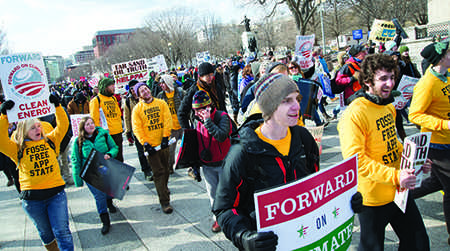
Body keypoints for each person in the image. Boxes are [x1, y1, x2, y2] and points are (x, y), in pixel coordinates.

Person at [213, 73, 322, 250]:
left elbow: (316, 186)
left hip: (304, 237)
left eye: (297, 98)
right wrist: (243, 237)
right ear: (270, 107)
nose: (297, 106)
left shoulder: (303, 138)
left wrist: (345, 200)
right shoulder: (242, 153)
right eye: (287, 100)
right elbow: (224, 209)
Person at [338, 53, 431, 250]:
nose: (389, 83)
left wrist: (416, 158)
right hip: (372, 199)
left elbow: (391, 142)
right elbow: (357, 161)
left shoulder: (387, 106)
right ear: (367, 82)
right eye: (383, 79)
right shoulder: (354, 114)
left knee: (418, 243)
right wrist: (396, 176)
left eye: (392, 77)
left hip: (398, 192)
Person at [0, 95, 74, 251]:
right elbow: (1, 140)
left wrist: (58, 107)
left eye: (38, 126)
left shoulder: (51, 140)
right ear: (25, 131)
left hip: (56, 195)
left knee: (63, 232)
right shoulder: (17, 148)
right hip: (33, 200)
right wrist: (4, 116)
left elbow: (63, 125)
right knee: (46, 234)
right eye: (32, 128)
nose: (37, 130)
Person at [409, 40, 450, 245]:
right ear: (442, 57)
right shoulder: (427, 83)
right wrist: (445, 124)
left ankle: (401, 196)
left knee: (436, 181)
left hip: (448, 141)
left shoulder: (447, 76)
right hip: (437, 144)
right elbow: (414, 115)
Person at [192, 90, 232, 233]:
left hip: (223, 163)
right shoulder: (196, 120)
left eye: (199, 110)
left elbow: (222, 136)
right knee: (213, 194)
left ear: (208, 107)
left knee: (226, 193)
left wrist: (208, 121)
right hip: (207, 165)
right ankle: (218, 219)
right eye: (195, 110)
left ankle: (230, 218)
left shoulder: (222, 116)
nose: (197, 114)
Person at [71, 116, 119, 235]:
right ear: (83, 127)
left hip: (105, 168)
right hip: (90, 173)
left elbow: (114, 147)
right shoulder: (78, 141)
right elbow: (75, 160)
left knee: (108, 189)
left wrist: (110, 154)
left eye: (92, 123)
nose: (91, 125)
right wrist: (78, 180)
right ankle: (105, 220)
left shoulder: (104, 134)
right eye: (87, 124)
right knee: (99, 196)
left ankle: (109, 202)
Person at [132, 82, 174, 214]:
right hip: (150, 148)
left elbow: (167, 119)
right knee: (159, 172)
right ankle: (164, 201)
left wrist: (165, 137)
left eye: (146, 89)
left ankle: (164, 189)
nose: (145, 92)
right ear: (139, 95)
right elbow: (137, 128)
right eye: (141, 91)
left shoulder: (162, 103)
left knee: (166, 170)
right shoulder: (137, 109)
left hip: (163, 143)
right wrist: (145, 143)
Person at [178, 62, 227, 129]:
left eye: (212, 75)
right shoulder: (194, 90)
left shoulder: (216, 86)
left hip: (219, 123)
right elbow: (181, 112)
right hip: (203, 128)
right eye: (207, 76)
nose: (210, 77)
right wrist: (188, 131)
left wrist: (226, 120)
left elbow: (222, 105)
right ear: (200, 77)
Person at [123, 79, 153, 181]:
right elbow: (126, 117)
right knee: (141, 151)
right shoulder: (128, 101)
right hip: (137, 129)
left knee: (151, 148)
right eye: (131, 88)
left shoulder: (145, 97)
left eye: (135, 87)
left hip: (148, 127)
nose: (133, 90)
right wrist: (128, 131)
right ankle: (146, 170)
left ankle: (153, 166)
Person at [89, 78, 124, 162]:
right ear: (105, 87)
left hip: (118, 132)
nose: (114, 87)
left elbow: (118, 114)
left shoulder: (113, 99)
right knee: (110, 161)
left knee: (119, 159)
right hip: (107, 135)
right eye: (111, 85)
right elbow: (95, 119)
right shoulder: (96, 100)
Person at [157, 74, 184, 173]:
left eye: (163, 83)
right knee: (170, 150)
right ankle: (169, 167)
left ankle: (192, 168)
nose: (161, 85)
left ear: (168, 82)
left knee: (188, 147)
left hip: (182, 126)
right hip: (171, 128)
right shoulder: (160, 96)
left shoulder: (180, 92)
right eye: (160, 83)